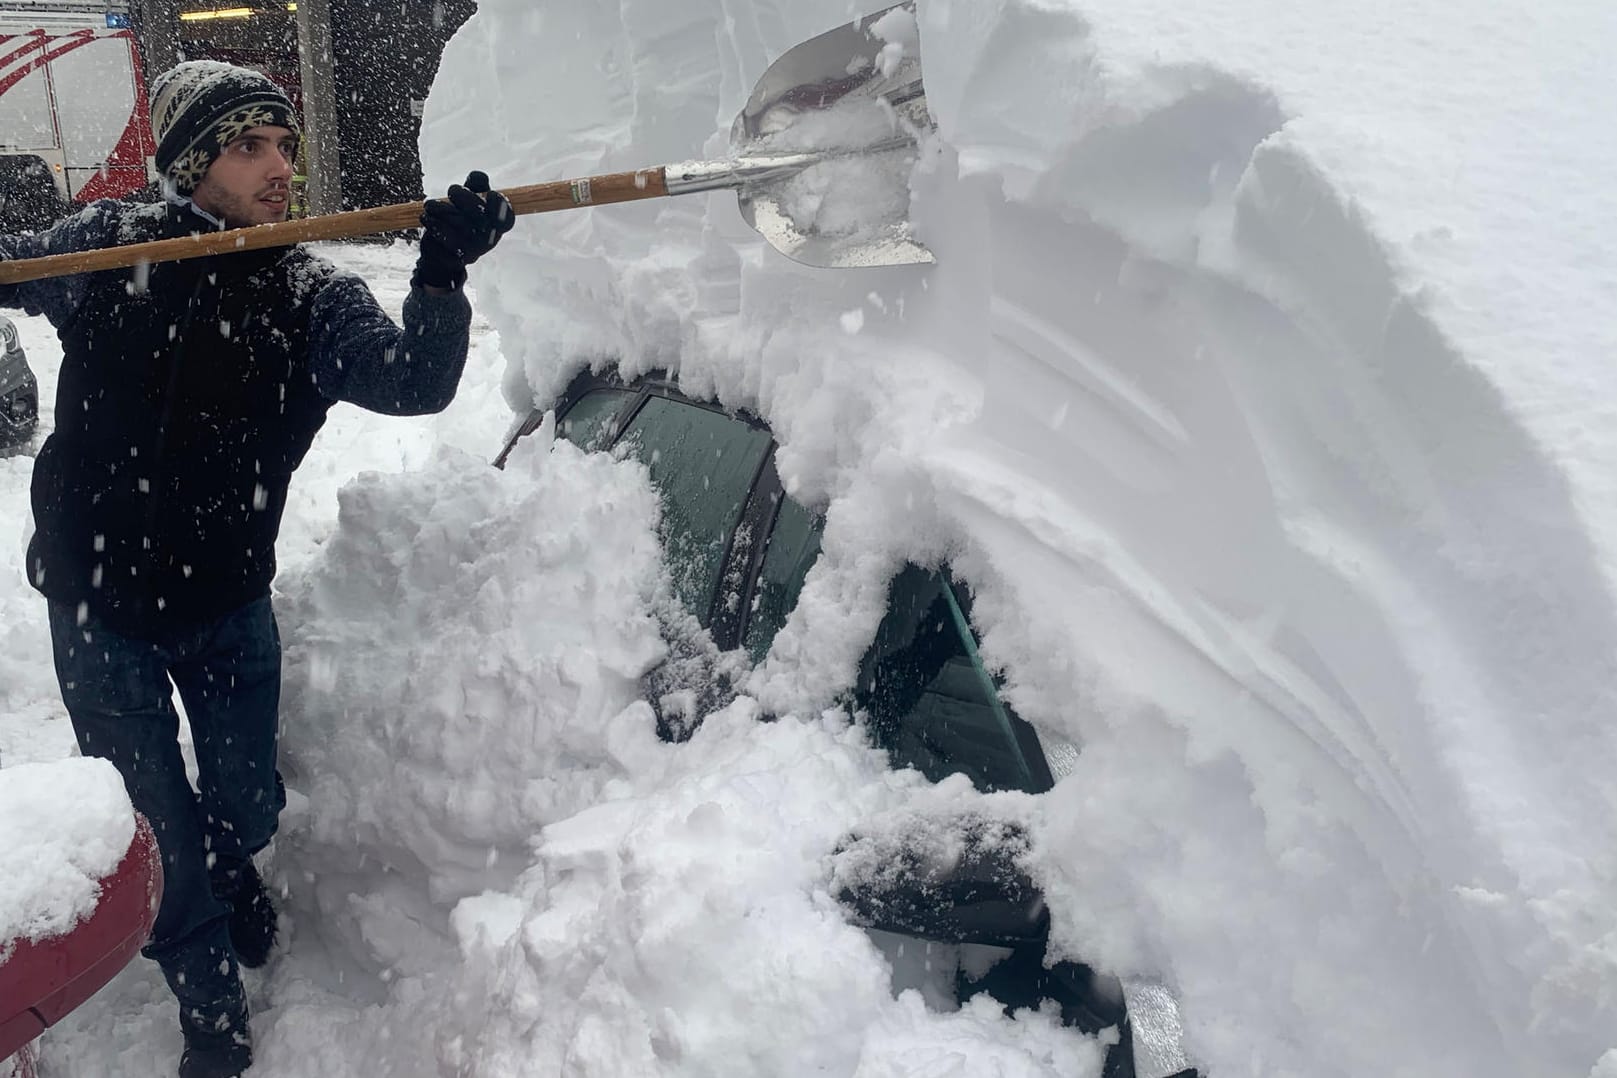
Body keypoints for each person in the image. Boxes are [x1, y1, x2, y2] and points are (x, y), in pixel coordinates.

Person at [0, 61, 513, 1078]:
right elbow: (8, 265)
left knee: (247, 804)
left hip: (228, 601)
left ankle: (230, 864)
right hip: (97, 607)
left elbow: (416, 382)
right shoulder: (109, 246)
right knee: (157, 831)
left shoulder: (307, 292)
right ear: (193, 164)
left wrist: (443, 272)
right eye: (250, 147)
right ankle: (209, 1003)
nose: (281, 166)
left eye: (286, 146)